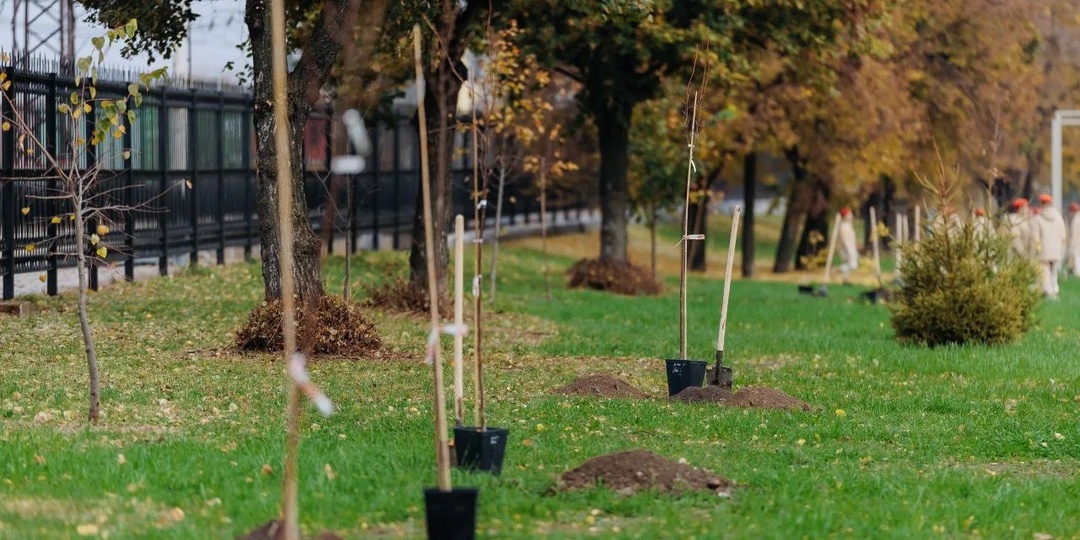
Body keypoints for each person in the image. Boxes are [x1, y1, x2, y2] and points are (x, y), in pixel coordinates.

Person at [1033, 194, 1067, 299]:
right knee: (1054, 271)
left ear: (1041, 204)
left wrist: (1037, 248)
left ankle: (1048, 291)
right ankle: (1055, 290)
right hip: (1056, 249)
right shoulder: (1058, 217)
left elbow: (1035, 236)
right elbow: (1063, 234)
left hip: (1044, 250)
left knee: (1045, 271)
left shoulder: (1037, 218)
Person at [1005, 198, 1031, 262]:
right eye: (1025, 207)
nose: (1027, 210)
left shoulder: (1023, 220)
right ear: (1019, 209)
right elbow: (1015, 239)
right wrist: (1023, 254)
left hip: (1022, 255)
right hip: (1016, 256)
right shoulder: (1014, 221)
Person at [838, 207, 859, 285]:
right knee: (850, 264)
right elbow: (845, 239)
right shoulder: (844, 226)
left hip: (851, 248)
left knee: (850, 265)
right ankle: (836, 271)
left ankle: (846, 279)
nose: (851, 217)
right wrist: (850, 250)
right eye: (849, 215)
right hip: (847, 249)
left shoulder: (848, 225)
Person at [1069, 202, 1080, 277]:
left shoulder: (1076, 220)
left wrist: (1071, 245)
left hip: (1077, 242)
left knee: (1077, 258)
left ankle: (1077, 273)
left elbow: (1074, 234)